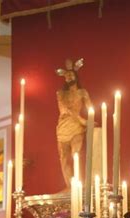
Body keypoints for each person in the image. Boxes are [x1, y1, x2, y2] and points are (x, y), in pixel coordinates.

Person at [55, 58, 93, 190]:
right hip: (63, 128)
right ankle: (70, 186)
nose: (69, 77)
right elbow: (64, 109)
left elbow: (90, 109)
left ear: (76, 75)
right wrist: (82, 120)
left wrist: (89, 120)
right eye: (66, 75)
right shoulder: (61, 94)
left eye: (71, 74)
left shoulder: (82, 92)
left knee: (75, 155)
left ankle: (79, 185)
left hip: (77, 129)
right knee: (64, 159)